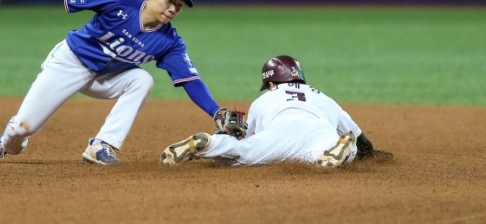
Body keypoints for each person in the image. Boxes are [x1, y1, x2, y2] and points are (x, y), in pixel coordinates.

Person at [0, 0, 244, 166]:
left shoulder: (170, 42)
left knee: (142, 80)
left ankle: (102, 145)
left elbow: (190, 79)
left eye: (179, 4)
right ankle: (8, 142)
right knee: (22, 129)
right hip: (69, 63)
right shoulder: (118, 1)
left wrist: (216, 110)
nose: (173, 8)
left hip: (106, 78)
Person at [159, 55, 393, 168]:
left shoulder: (264, 99)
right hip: (319, 128)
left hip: (280, 129)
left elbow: (242, 136)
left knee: (242, 152)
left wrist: (220, 136)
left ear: (271, 84)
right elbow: (361, 138)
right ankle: (341, 149)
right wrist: (368, 153)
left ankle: (207, 143)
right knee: (324, 154)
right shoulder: (324, 97)